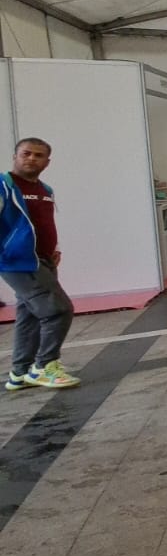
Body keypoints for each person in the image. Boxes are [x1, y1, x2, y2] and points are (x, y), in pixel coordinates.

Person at [1, 138, 80, 390]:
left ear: (47, 162)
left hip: (42, 260)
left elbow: (43, 224)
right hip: (20, 262)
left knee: (30, 315)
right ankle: (44, 366)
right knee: (58, 310)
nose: (31, 159)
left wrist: (52, 250)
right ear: (15, 156)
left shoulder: (45, 189)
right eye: (26, 153)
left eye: (38, 155)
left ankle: (20, 372)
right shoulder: (5, 186)